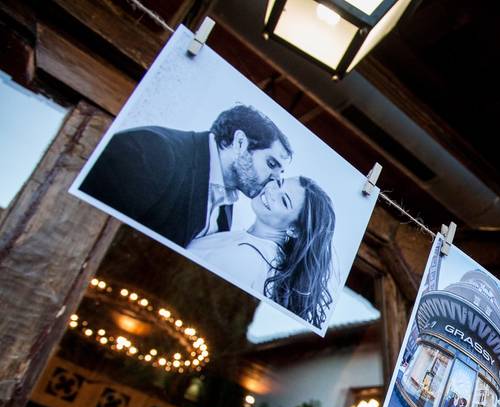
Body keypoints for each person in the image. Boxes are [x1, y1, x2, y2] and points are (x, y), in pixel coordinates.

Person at [80, 105, 292, 247]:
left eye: (280, 172)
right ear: (239, 143)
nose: (274, 180)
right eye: (271, 163)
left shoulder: (226, 204)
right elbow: (89, 229)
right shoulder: (153, 150)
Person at [187, 176, 337, 328]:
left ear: (293, 229)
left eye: (284, 200)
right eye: (279, 183)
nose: (272, 192)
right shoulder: (254, 246)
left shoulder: (247, 258)